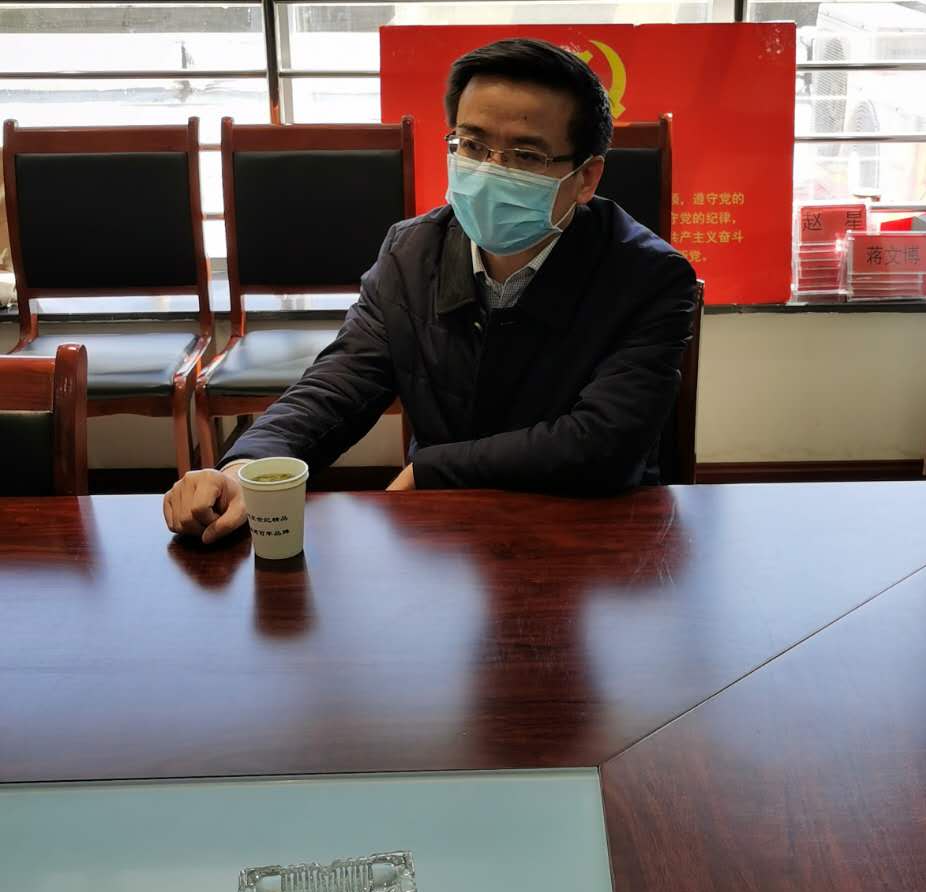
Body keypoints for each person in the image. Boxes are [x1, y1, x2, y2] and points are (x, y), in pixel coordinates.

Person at [164, 38, 697, 543]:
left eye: (526, 156)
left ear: (586, 178)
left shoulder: (649, 277)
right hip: (446, 533)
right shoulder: (412, 252)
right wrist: (249, 465)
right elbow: (342, 381)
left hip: (592, 531)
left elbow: (605, 443)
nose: (490, 171)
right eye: (473, 145)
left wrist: (432, 470)